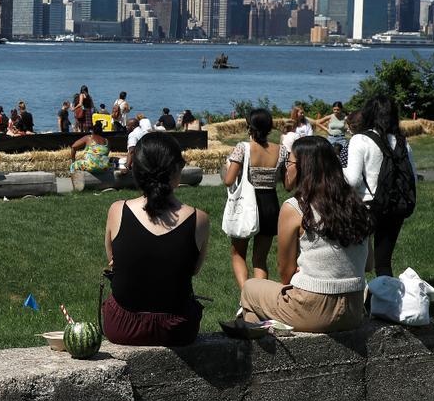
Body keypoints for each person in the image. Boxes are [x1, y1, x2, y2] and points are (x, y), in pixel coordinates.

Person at [241, 135, 373, 332]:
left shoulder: (295, 208)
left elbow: (285, 273)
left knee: (251, 288)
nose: (287, 167)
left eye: (290, 162)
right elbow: (368, 265)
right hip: (354, 309)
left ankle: (262, 352)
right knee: (256, 308)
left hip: (313, 309)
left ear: (304, 168)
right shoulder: (357, 205)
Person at [101, 132, 210, 346]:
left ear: (136, 171)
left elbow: (113, 260)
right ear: (177, 170)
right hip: (178, 328)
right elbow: (193, 269)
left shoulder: (117, 210)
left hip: (122, 326)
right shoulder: (199, 219)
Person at [344, 95, 416, 277]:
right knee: (383, 263)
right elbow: (412, 177)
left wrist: (336, 170)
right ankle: (387, 303)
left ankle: (357, 302)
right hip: (395, 207)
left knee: (356, 262)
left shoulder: (360, 140)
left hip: (367, 207)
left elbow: (352, 180)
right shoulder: (402, 142)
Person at [224, 108, 288, 288]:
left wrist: (225, 168)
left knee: (238, 254)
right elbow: (288, 185)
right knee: (260, 258)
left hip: (247, 204)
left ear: (249, 127)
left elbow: (229, 181)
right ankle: (259, 299)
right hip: (270, 205)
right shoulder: (281, 150)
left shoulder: (242, 148)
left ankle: (246, 297)